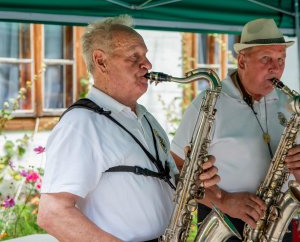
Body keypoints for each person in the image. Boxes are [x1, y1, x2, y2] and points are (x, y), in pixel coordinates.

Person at [37, 15, 220, 242]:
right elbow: (53, 213)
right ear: (101, 61)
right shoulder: (82, 124)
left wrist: (193, 177)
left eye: (145, 55)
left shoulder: (145, 117)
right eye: (134, 56)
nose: (148, 65)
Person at [171, 18, 300, 241]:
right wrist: (222, 200)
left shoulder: (289, 104)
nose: (276, 67)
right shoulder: (210, 102)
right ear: (242, 61)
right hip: (224, 225)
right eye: (266, 58)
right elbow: (176, 167)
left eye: (281, 59)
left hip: (278, 225)